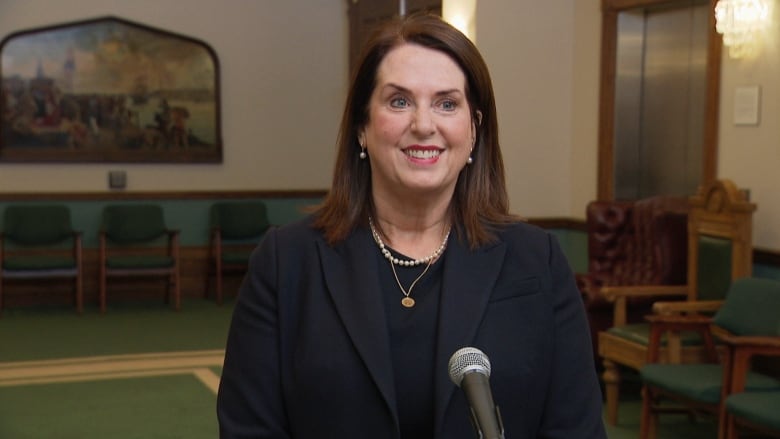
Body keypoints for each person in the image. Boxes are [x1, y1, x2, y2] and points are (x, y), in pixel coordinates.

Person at [217, 13, 607, 439]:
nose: (424, 125)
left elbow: (577, 428)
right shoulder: (285, 263)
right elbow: (249, 429)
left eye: (447, 103)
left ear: (474, 129)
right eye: (399, 101)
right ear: (362, 127)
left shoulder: (538, 261)